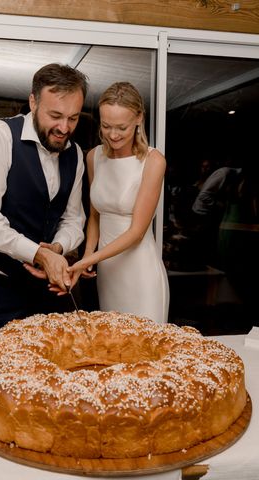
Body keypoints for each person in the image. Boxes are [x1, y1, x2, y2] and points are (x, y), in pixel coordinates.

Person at [0, 63, 88, 343]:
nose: (64, 128)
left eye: (73, 118)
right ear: (33, 101)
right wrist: (38, 254)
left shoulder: (75, 154)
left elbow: (73, 219)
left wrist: (57, 248)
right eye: (55, 115)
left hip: (46, 292)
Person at [66, 82, 169, 324]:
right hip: (108, 272)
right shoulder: (94, 157)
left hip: (140, 272)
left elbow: (136, 232)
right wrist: (88, 255)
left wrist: (90, 259)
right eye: (106, 126)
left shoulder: (153, 161)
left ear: (139, 119)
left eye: (121, 127)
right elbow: (95, 216)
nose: (113, 135)